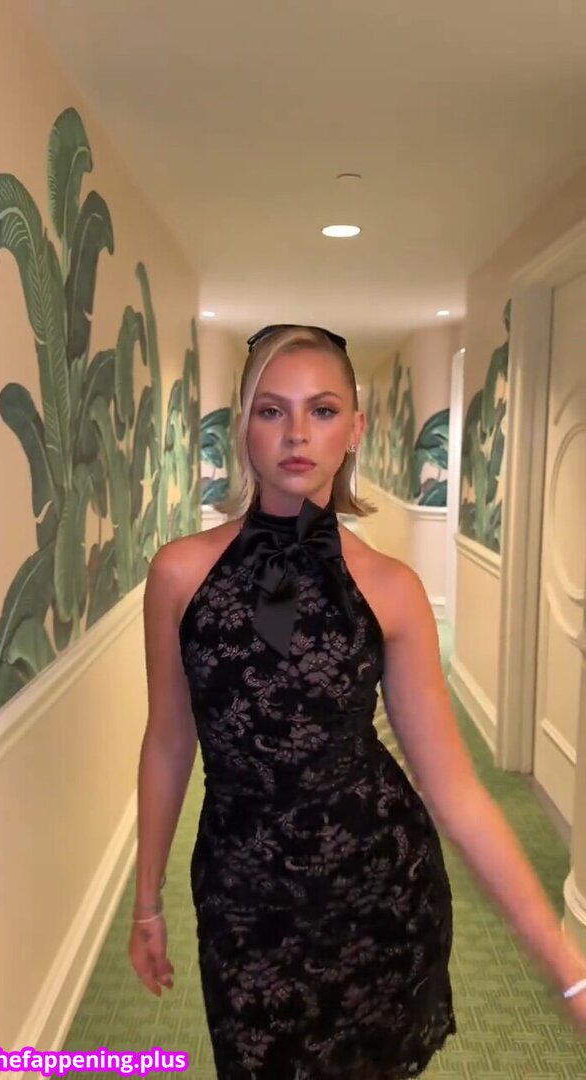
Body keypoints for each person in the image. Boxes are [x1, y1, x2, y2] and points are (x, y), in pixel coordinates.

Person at [129, 325, 586, 1078]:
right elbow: (169, 741)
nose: (297, 433)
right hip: (241, 892)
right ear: (243, 425)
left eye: (323, 410)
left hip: (379, 889)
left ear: (355, 429)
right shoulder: (178, 574)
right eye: (272, 410)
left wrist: (565, 964)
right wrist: (145, 900)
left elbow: (458, 792)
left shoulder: (393, 588)